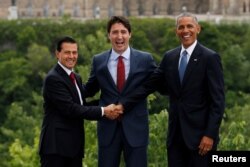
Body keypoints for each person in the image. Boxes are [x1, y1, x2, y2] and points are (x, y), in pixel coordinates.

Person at [118, 12, 225, 167]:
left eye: (189, 26)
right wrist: (123, 104)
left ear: (198, 29)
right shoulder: (170, 57)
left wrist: (210, 135)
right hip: (175, 138)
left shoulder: (210, 58)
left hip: (201, 139)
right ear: (176, 31)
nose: (185, 30)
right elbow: (149, 85)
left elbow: (218, 102)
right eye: (181, 27)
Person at [84, 16, 157, 167]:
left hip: (136, 129)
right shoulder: (99, 61)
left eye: (123, 32)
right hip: (108, 130)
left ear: (130, 34)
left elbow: (158, 82)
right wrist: (68, 90)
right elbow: (90, 89)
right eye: (115, 32)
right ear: (108, 35)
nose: (119, 36)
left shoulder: (145, 59)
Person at [39, 36, 121, 167]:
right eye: (67, 52)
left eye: (74, 52)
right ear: (57, 54)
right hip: (56, 148)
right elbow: (71, 109)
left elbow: (82, 104)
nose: (71, 56)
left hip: (74, 147)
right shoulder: (53, 78)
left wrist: (109, 101)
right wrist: (104, 111)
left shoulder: (75, 77)